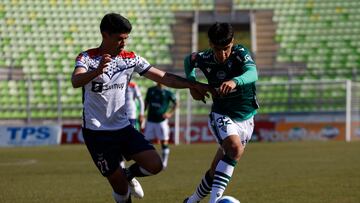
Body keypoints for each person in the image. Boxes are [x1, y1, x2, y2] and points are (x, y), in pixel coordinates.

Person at [71, 13, 211, 203]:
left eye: (126, 39)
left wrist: (192, 85)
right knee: (120, 189)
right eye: (120, 39)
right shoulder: (87, 58)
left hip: (123, 128)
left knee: (156, 165)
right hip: (97, 133)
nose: (124, 43)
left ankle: (128, 174)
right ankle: (123, 182)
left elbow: (163, 77)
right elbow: (76, 80)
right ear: (105, 35)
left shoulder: (130, 59)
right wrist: (96, 71)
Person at [182, 22, 259, 203]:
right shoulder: (204, 57)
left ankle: (192, 201)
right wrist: (192, 84)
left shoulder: (240, 54)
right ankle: (214, 201)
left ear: (232, 42)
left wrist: (235, 81)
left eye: (226, 48)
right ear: (210, 44)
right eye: (218, 49)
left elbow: (253, 72)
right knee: (234, 148)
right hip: (222, 114)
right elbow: (189, 61)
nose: (222, 54)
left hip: (247, 118)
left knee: (217, 168)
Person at [144, 82, 178, 169]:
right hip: (150, 120)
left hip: (161, 121)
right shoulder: (151, 90)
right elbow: (146, 102)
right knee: (147, 142)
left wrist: (170, 114)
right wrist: (142, 113)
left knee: (164, 141)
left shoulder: (168, 93)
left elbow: (176, 103)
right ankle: (148, 161)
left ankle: (164, 162)